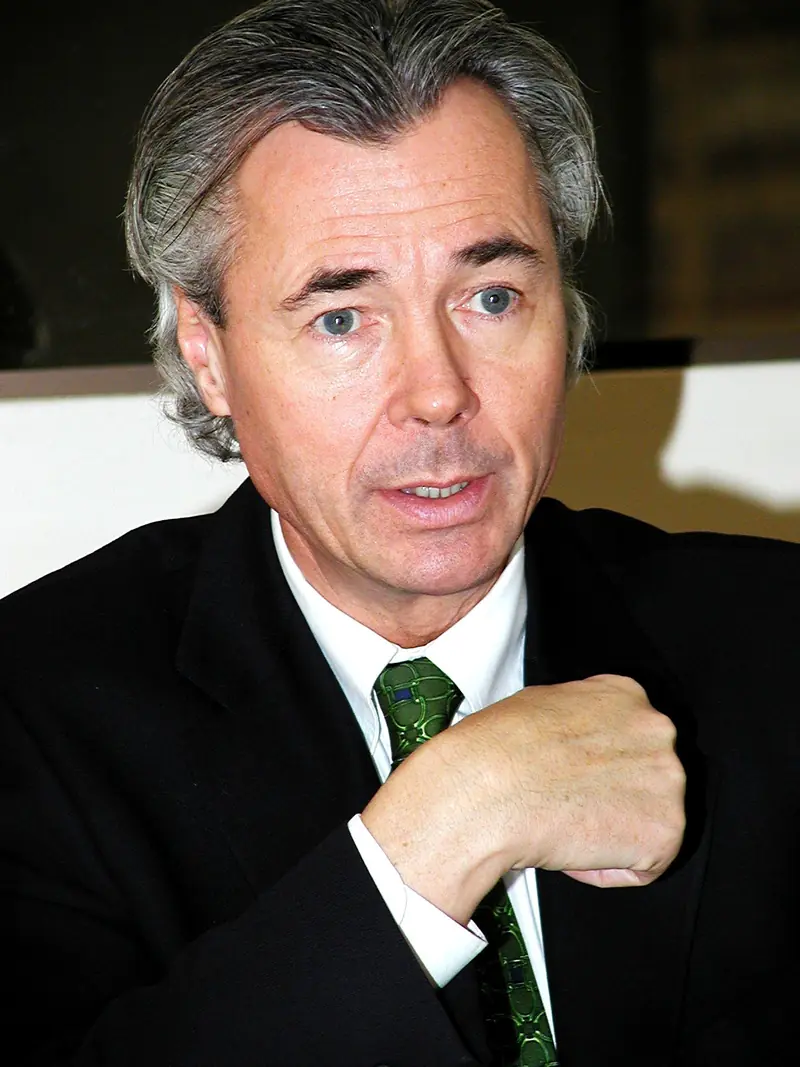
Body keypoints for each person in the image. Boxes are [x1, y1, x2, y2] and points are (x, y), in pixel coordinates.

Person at [1, 2, 795, 1065]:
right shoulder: (33, 712)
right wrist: (443, 829)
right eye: (342, 317)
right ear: (208, 351)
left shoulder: (774, 645)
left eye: (491, 296)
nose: (437, 394)